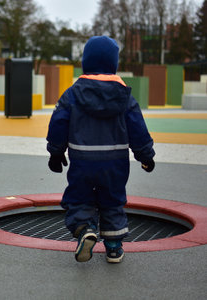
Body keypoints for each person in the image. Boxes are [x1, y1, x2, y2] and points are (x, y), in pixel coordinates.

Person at [46, 36, 155, 263]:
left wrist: (56, 152)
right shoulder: (125, 96)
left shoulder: (72, 94)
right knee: (113, 200)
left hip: (82, 160)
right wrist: (145, 155)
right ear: (113, 63)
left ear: (86, 61)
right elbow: (137, 127)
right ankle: (114, 247)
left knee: (79, 198)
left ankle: (85, 229)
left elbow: (58, 123)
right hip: (115, 162)